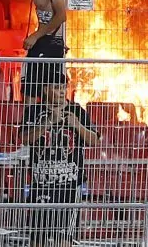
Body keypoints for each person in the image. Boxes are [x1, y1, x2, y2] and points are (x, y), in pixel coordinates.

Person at [22, 67, 99, 247]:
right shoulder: (34, 111)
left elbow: (94, 141)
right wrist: (48, 122)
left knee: (63, 240)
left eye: (63, 87)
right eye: (56, 87)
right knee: (37, 239)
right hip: (40, 185)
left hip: (70, 187)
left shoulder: (77, 111)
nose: (61, 91)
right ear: (45, 89)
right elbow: (25, 138)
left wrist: (77, 126)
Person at [22, 0, 68, 105]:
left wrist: (36, 35)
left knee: (50, 90)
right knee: (30, 87)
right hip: (41, 38)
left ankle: (54, 123)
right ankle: (29, 123)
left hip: (52, 41)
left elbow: (61, 16)